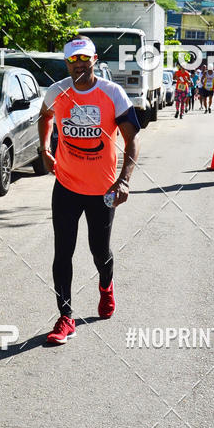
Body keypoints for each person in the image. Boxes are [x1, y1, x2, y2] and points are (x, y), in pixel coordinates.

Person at [38, 36, 140, 345]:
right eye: (73, 60)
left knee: (100, 251)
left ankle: (106, 287)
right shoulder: (57, 91)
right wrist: (45, 149)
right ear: (66, 63)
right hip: (66, 186)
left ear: (94, 60)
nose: (79, 64)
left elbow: (132, 139)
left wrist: (124, 180)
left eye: (84, 59)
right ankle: (65, 317)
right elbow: (45, 116)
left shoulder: (113, 93)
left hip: (103, 190)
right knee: (63, 252)